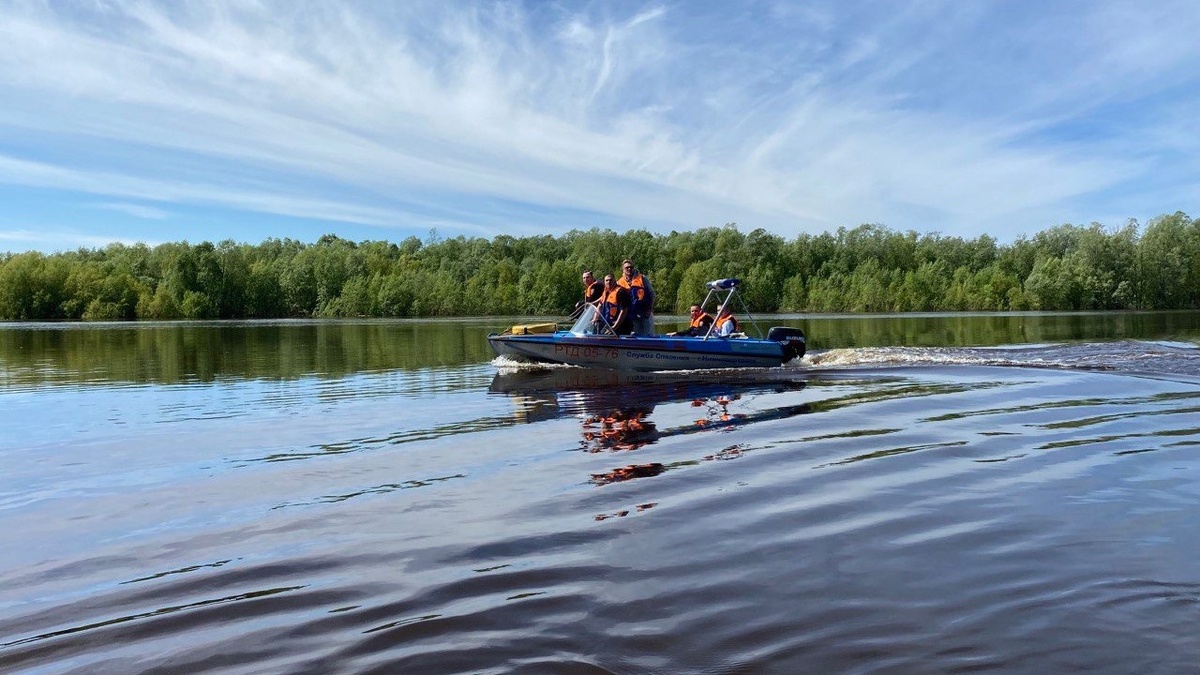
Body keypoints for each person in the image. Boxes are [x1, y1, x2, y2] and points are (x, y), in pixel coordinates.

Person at [617, 259, 655, 336]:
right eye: (627, 267)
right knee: (636, 336)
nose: (629, 269)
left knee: (649, 335)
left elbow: (652, 294)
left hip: (645, 313)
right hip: (631, 316)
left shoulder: (642, 278)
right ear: (623, 270)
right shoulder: (619, 283)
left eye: (631, 267)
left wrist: (650, 309)